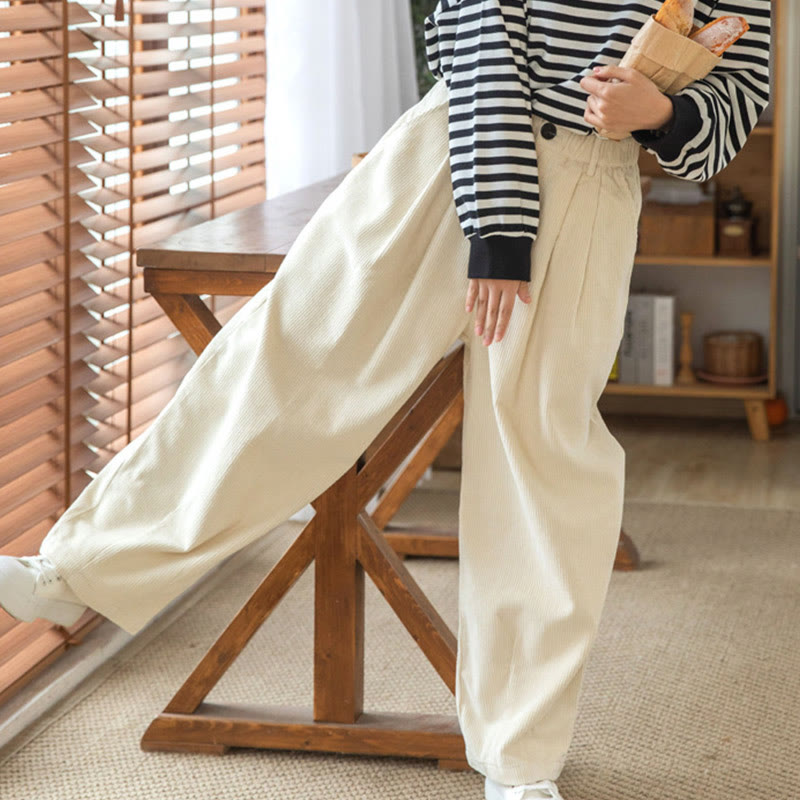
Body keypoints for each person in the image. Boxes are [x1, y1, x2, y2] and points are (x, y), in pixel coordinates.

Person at [0, 1, 771, 798]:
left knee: (543, 464)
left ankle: (520, 760)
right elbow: (478, 44)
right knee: (286, 360)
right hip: (449, 159)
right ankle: (75, 569)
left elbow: (740, 95)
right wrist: (500, 229)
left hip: (592, 185)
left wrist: (665, 116)